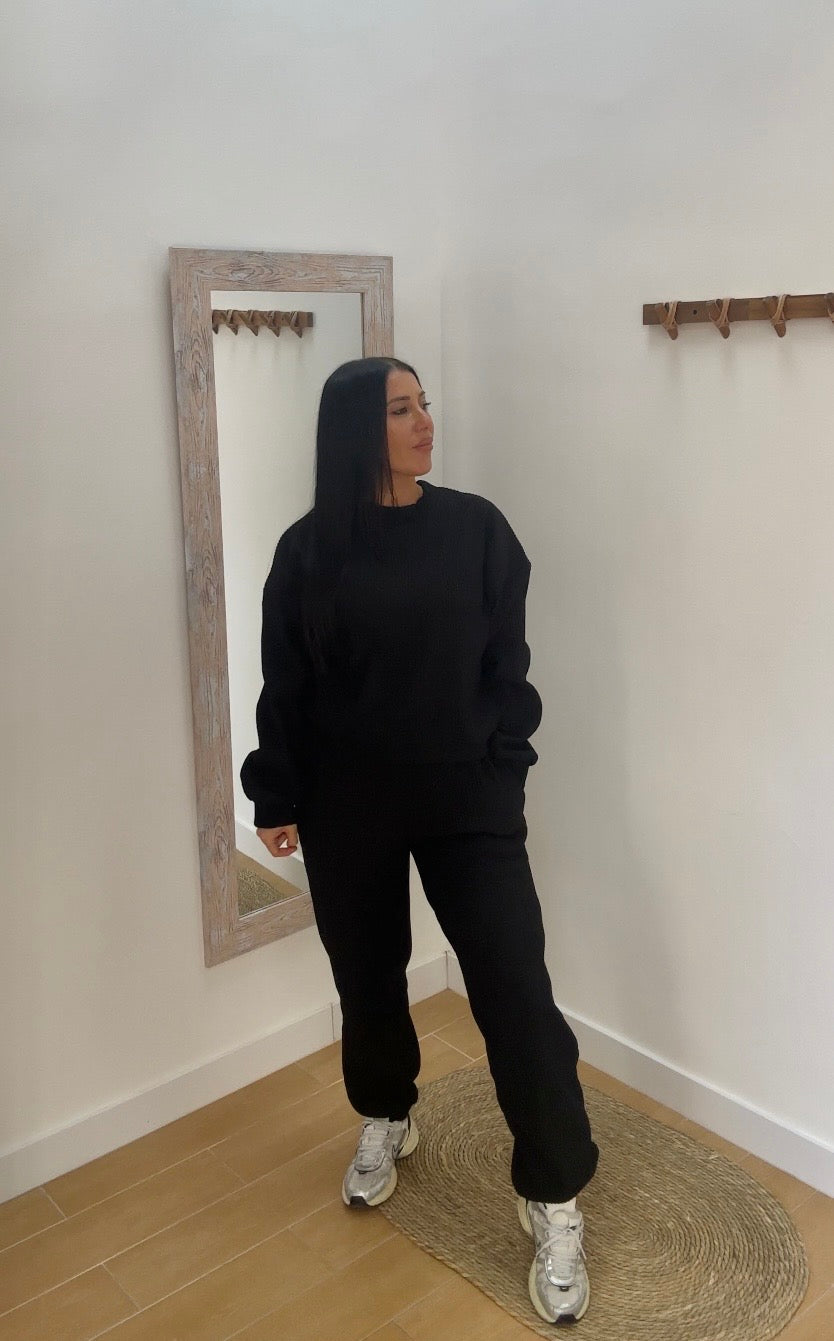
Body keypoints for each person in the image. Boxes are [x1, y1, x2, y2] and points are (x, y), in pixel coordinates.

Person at [240, 356, 600, 1324]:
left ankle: (554, 1190)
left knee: (515, 986)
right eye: (402, 410)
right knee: (367, 977)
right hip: (345, 803)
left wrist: (505, 762)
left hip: (465, 801)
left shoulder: (477, 530)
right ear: (358, 429)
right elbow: (287, 684)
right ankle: (387, 1113)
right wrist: (276, 791)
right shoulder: (307, 551)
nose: (424, 422)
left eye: (424, 404)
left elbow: (508, 665)